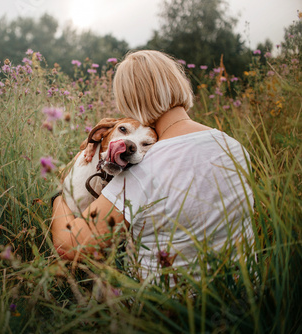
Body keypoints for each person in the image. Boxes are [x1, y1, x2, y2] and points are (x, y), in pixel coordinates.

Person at [51, 50, 254, 281]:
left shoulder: (144, 167)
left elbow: (69, 245)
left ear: (130, 101)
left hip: (162, 307)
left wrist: (60, 195)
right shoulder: (236, 148)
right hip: (244, 297)